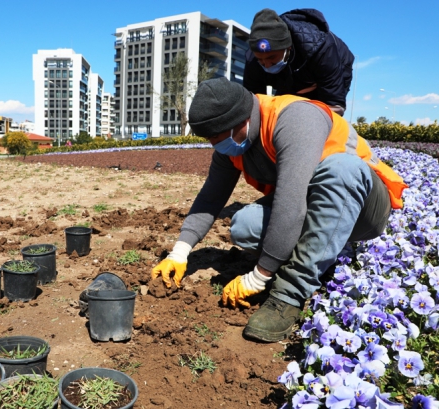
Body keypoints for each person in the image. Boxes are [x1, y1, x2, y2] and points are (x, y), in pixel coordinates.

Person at [151, 78, 406, 343]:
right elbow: (210, 197)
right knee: (244, 225)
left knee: (342, 169)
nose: (216, 146)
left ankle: (289, 293)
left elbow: (291, 203)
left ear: (241, 120)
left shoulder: (295, 118)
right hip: (313, 203)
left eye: (217, 138)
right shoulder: (233, 141)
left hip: (364, 209)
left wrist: (258, 277)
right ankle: (318, 251)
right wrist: (180, 252)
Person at [243, 8, 354, 116]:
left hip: (335, 66)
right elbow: (253, 103)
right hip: (290, 78)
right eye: (261, 60)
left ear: (288, 48)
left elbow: (334, 105)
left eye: (271, 58)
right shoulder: (252, 60)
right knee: (281, 112)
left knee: (312, 119)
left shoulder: (321, 48)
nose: (267, 65)